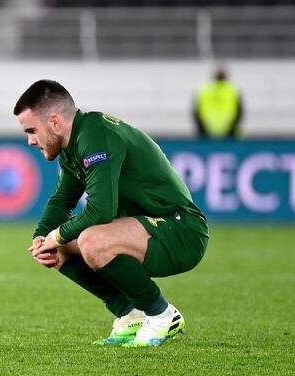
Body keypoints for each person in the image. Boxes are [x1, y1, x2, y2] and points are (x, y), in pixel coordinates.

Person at [15, 80, 209, 347]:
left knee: (91, 240)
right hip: (146, 230)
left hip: (181, 230)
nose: (29, 140)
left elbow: (100, 211)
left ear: (55, 122)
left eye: (31, 130)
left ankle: (163, 315)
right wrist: (41, 238)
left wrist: (57, 234)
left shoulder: (96, 136)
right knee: (55, 248)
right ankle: (131, 314)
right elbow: (62, 200)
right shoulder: (75, 143)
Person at [194, 67, 243, 139]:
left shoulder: (204, 91)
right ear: (226, 77)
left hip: (207, 133)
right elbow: (240, 112)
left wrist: (202, 130)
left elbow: (196, 113)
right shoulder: (233, 91)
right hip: (229, 133)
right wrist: (231, 129)